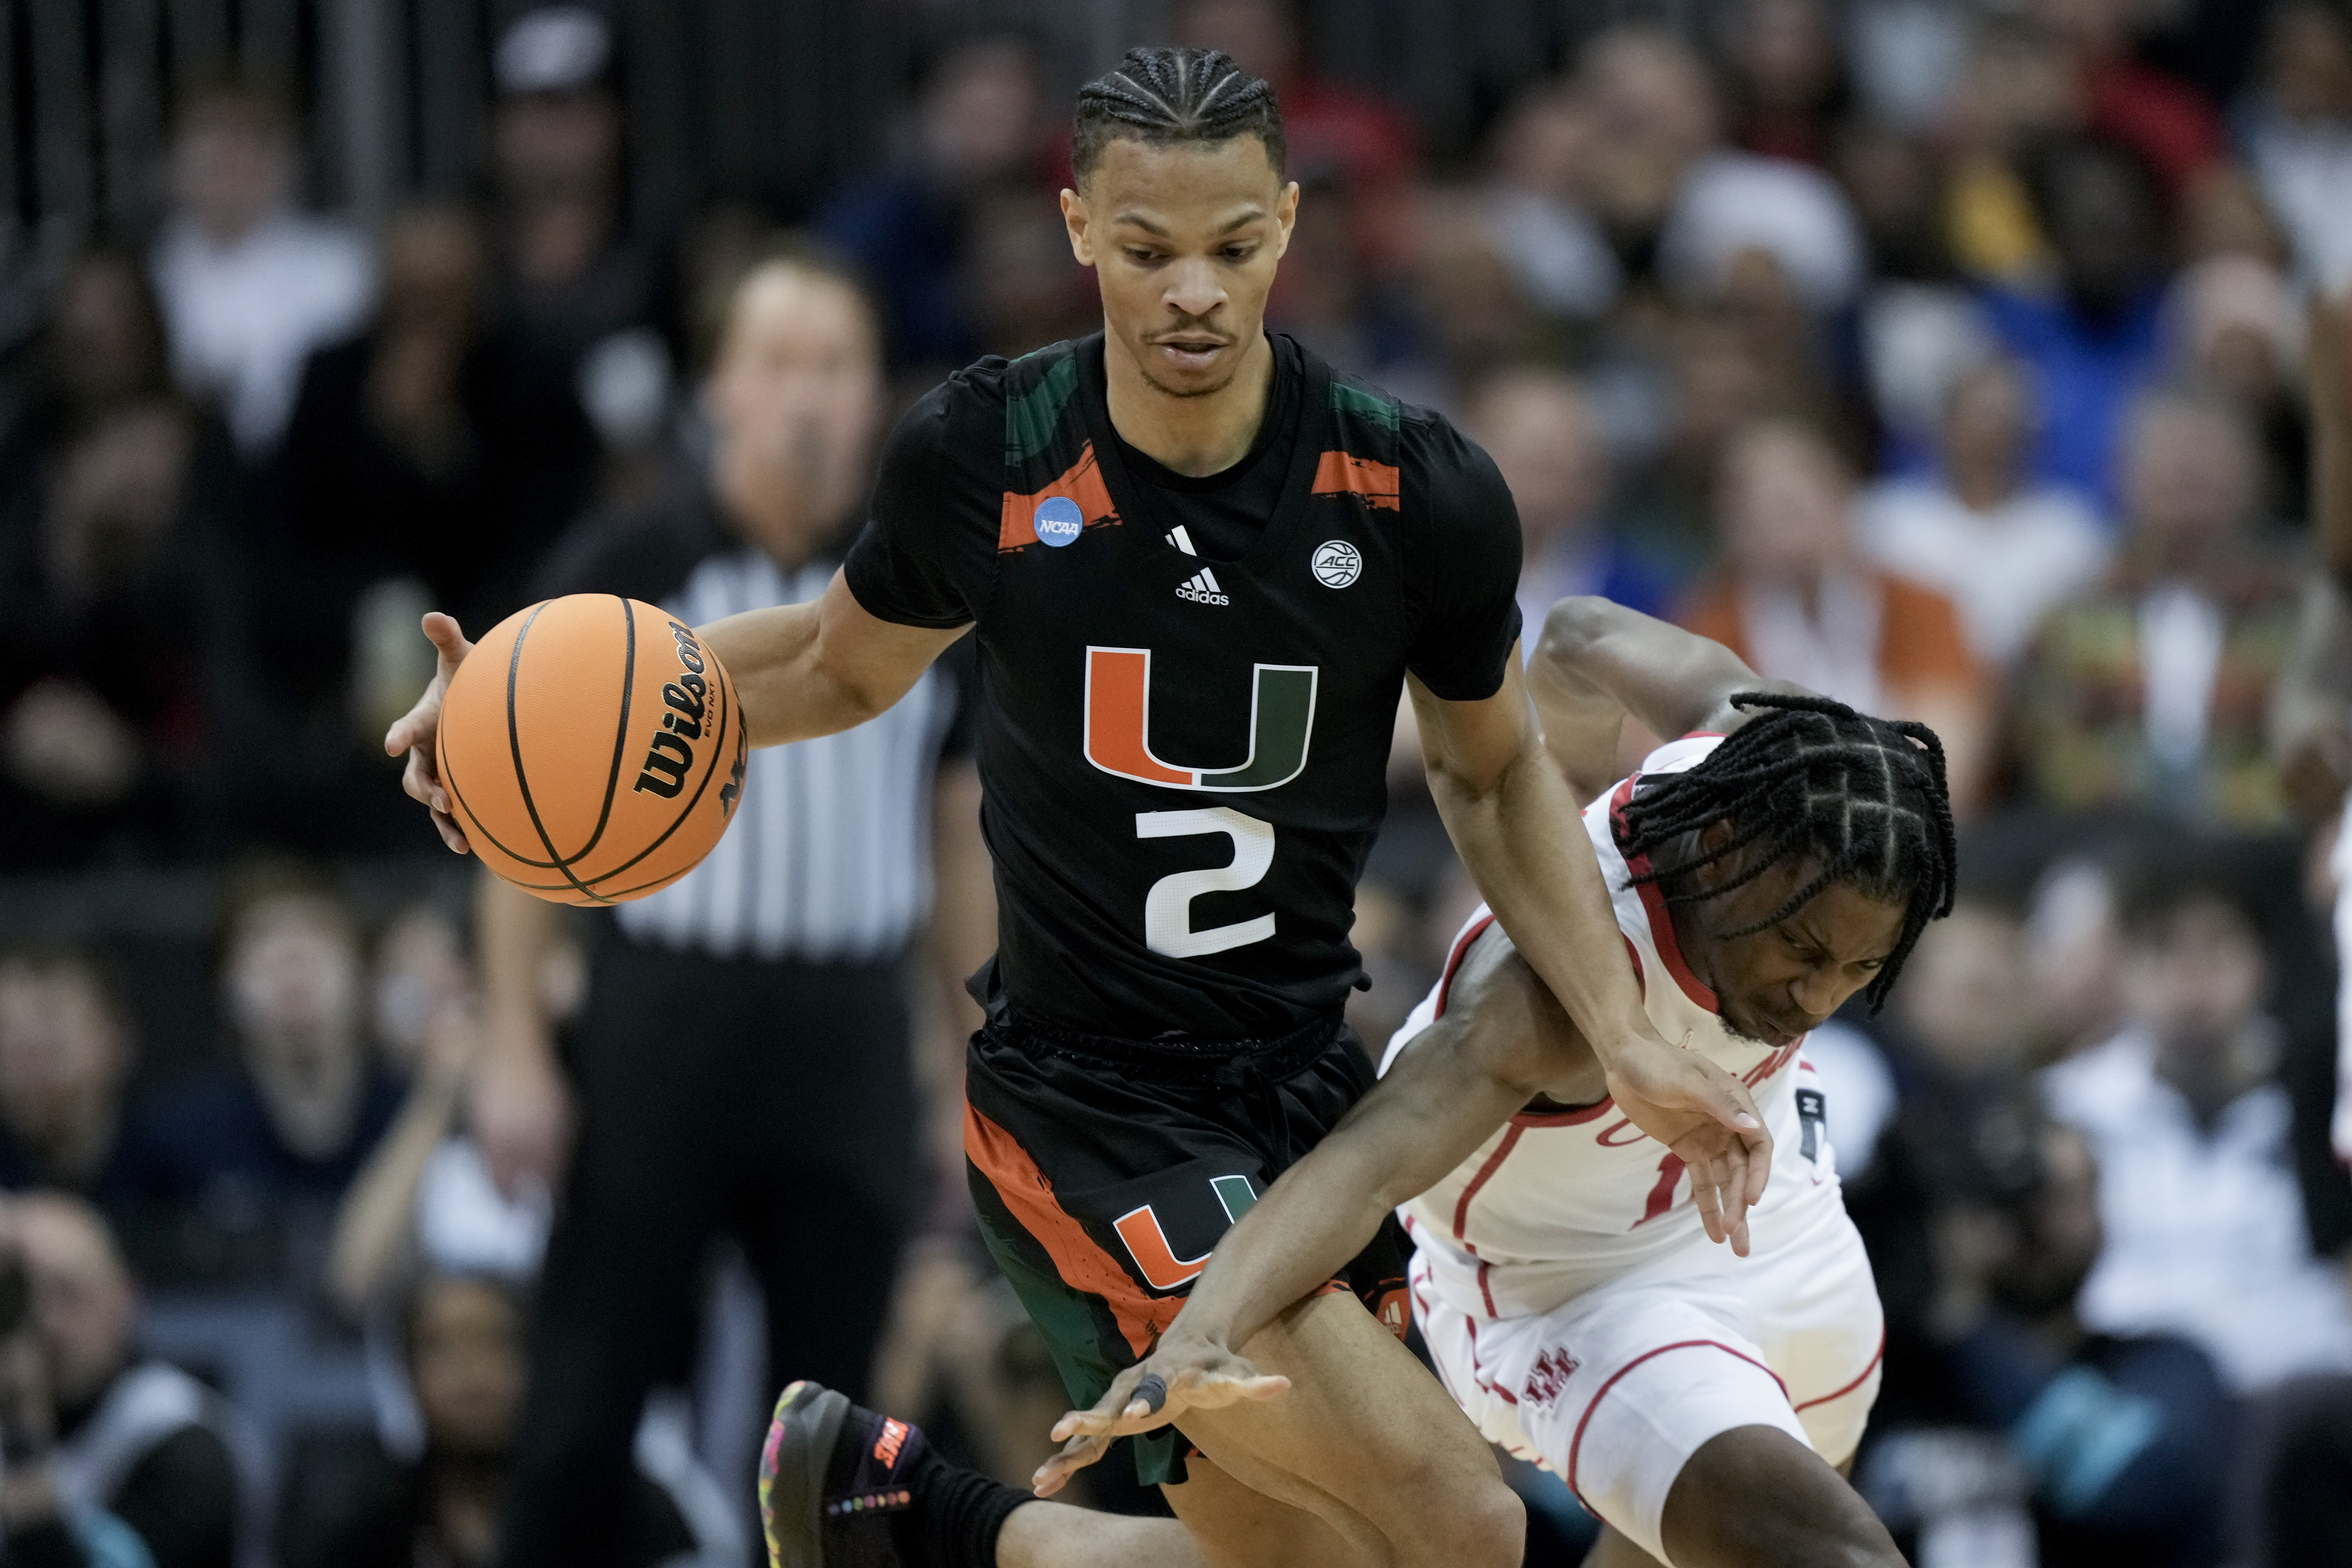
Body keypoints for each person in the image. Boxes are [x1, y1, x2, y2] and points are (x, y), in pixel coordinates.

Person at [386, 45, 1769, 1568]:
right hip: (1086, 1109)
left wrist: (1628, 1034)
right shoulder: (987, 451)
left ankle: (923, 1519)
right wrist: (518, 706)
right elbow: (832, 670)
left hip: (1303, 1086)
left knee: (1311, 1560)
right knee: (1459, 1521)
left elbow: (1492, 768)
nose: (1191, 290)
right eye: (1146, 248)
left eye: (1232, 247)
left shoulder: (1410, 486)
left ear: (1289, 224)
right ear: (1075, 229)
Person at [1043, 598, 1957, 1568]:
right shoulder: (1538, 1001)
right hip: (1571, 1294)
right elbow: (1361, 1170)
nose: (1816, 999)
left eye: (1857, 973)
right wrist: (1203, 1329)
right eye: (1801, 950)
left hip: (1781, 1228)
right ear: (1723, 845)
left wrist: (1566, 800)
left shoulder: (1780, 755)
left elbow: (1573, 639)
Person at [465, 245, 987, 1568]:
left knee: (838, 1439)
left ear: (875, 394)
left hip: (850, 1029)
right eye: (777, 365)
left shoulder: (923, 583)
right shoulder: (627, 561)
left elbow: (956, 841)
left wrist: (965, 1067)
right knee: (582, 1411)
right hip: (661, 1016)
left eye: (834, 366)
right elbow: (512, 822)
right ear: (718, 392)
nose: (807, 397)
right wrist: (516, 1048)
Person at [1862, 1112, 2236, 1568]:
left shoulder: (2167, 1366)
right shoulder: (1877, 1379)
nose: (2037, 1217)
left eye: (2064, 1193)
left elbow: (2141, 1491)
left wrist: (1965, 1318)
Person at [2043, 857, 2352, 1394]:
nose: (2191, 982)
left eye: (2217, 950)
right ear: (2123, 970)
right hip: (2134, 1400)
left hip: (2306, 1398)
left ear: (2266, 961)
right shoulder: (2067, 1106)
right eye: (2162, 950)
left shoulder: (2331, 1099)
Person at [2011, 385, 2299, 829]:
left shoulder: (2295, 612)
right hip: (2104, 836)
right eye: (2166, 454)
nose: (2185, 469)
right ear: (2120, 474)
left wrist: (2223, 810)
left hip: (2256, 849)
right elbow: (2051, 747)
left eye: (2206, 452)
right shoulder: (2071, 614)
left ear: (2255, 473)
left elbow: (2304, 749)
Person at [282, 1272, 709, 1568]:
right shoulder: (366, 1525)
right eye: (440, 1347)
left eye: (496, 1342)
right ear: (407, 1374)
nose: (473, 1373)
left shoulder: (619, 1507)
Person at [1677, 418, 1991, 811]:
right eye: (1757, 502)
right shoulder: (1705, 629)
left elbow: (1947, 761)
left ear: (1843, 493)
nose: (1780, 514)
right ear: (1727, 521)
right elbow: (1679, 771)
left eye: (1796, 500)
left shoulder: (1921, 608)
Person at [130, 866, 400, 1222]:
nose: (290, 963)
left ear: (365, 973)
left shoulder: (414, 1115)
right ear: (223, 985)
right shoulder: (174, 1138)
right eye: (260, 942)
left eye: (317, 937)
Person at [0, 1192, 252, 1568]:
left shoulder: (182, 1442)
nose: (44, 1323)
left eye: (67, 1293)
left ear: (124, 1298)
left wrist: (23, 1435)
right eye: (21, 1299)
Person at [149, 79, 374, 460]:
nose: (226, 177)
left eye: (242, 153)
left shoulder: (338, 265)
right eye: (209, 160)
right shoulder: (155, 272)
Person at [1857, 356, 2112, 672]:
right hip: (1910, 690)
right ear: (1945, 423)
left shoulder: (2070, 529)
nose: (1994, 433)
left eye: (2008, 417)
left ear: (2033, 434)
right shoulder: (1886, 518)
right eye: (1981, 415)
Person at [1460, 369, 1673, 633]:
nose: (1543, 488)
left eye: (1557, 466)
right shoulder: (1418, 578)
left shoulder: (1639, 598)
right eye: (1530, 462)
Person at [0, 946, 139, 1205]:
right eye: (8, 1030)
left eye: (52, 1024)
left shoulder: (180, 1168)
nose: (29, 1049)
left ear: (117, 1037)